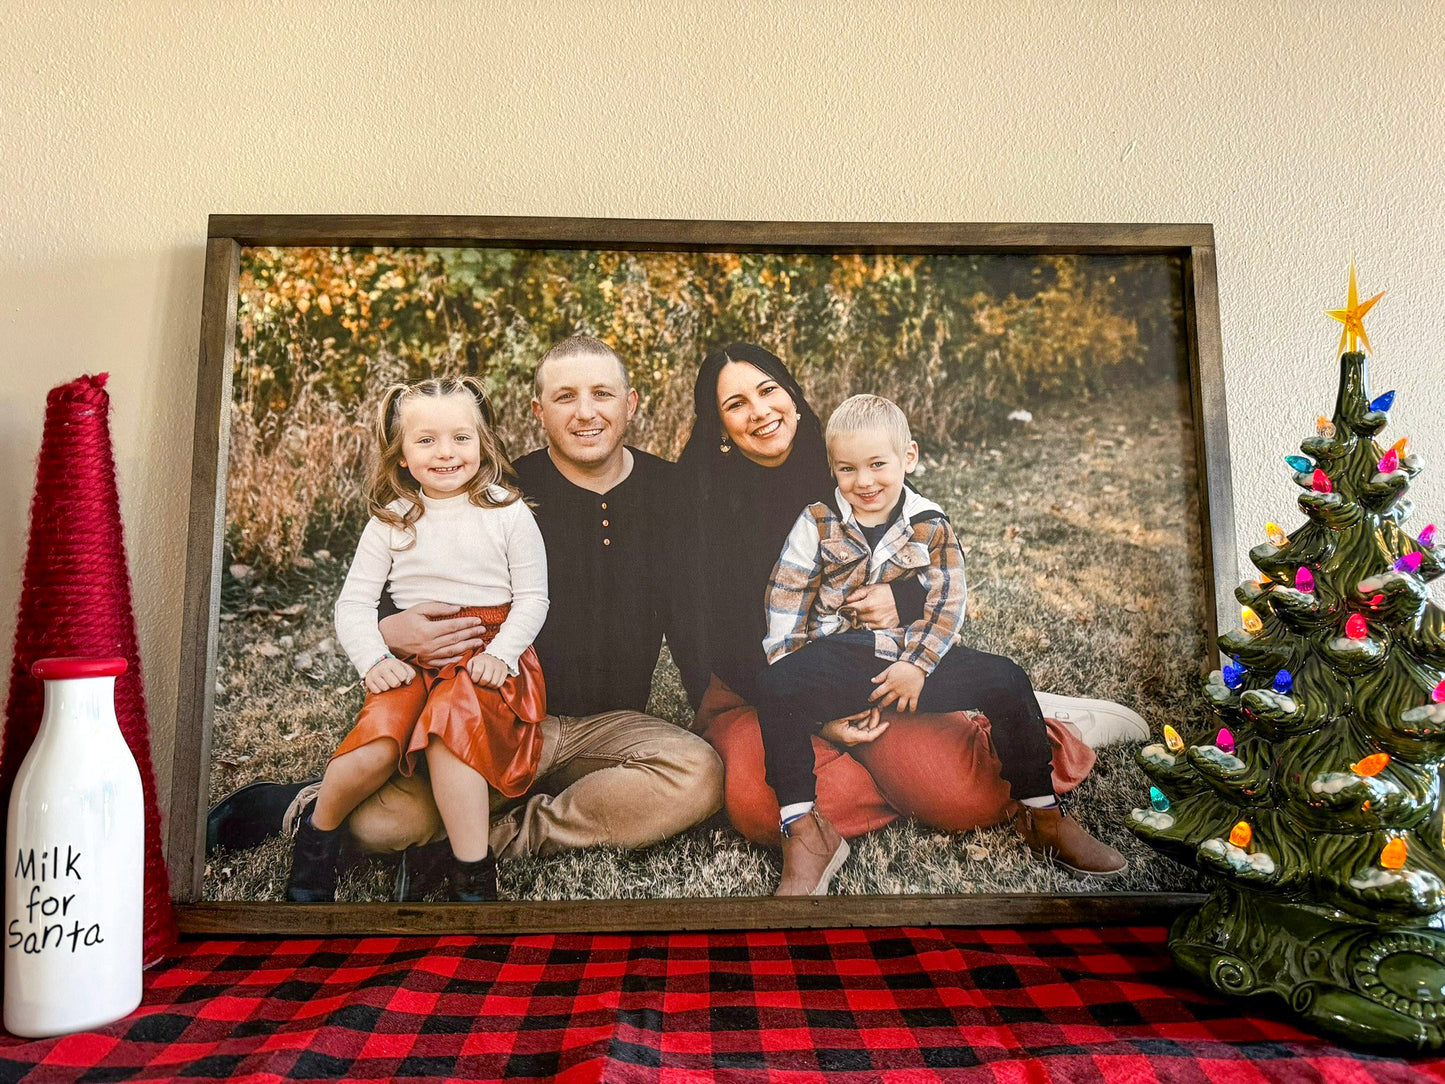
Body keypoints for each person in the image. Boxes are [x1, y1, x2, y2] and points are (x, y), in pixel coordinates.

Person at [671, 343, 1122, 893]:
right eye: (736, 403)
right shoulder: (697, 497)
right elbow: (717, 636)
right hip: (762, 683)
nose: (760, 411)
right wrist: (819, 717)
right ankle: (859, 789)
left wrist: (900, 604)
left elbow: (930, 569)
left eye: (768, 390)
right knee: (761, 808)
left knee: (968, 797)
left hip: (874, 662)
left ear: (790, 392)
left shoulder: (845, 458)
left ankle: (1035, 729)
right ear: (718, 421)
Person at [336, 336, 724, 896]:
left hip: (606, 727)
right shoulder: (496, 495)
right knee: (381, 825)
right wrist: (388, 631)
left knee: (698, 773)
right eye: (565, 397)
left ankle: (493, 841)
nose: (585, 412)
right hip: (493, 717)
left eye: (602, 394)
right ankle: (302, 805)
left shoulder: (673, 492)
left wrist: (714, 709)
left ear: (631, 403)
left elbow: (695, 620)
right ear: (539, 412)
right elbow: (395, 581)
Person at [285, 376, 548, 903]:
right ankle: (317, 839)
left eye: (460, 438)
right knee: (378, 741)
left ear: (483, 444)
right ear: (401, 455)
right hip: (412, 658)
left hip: (486, 657)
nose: (446, 452)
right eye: (425, 440)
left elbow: (534, 598)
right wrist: (373, 658)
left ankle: (472, 875)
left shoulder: (507, 512)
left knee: (454, 731)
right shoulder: (391, 520)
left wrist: (501, 653)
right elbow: (353, 604)